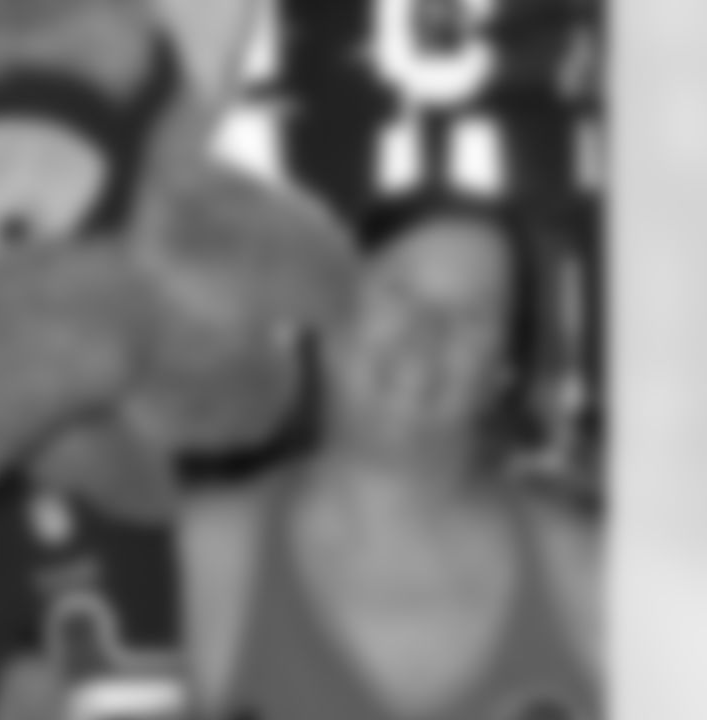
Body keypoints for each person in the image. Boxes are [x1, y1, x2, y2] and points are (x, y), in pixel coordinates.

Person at [182, 200, 605, 720]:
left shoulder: (588, 574)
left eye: (473, 315)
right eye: (396, 293)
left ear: (503, 371)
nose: (425, 334)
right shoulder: (205, 555)